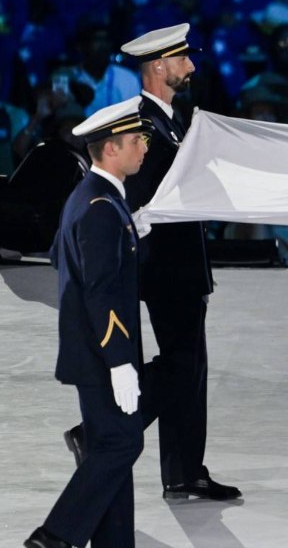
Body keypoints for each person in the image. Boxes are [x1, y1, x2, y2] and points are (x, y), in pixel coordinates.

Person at [120, 23, 240, 500]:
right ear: (158, 66)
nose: (191, 67)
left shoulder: (171, 120)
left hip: (182, 265)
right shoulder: (144, 125)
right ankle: (104, 429)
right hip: (166, 267)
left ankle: (184, 472)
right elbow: (145, 195)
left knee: (190, 367)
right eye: (183, 59)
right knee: (181, 366)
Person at [26, 99, 152, 548]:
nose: (144, 146)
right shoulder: (100, 206)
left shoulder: (89, 197)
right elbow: (101, 290)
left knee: (111, 444)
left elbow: (64, 256)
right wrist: (120, 360)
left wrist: (132, 233)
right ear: (112, 149)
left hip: (90, 347)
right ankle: (54, 536)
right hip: (102, 353)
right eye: (138, 140)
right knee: (121, 445)